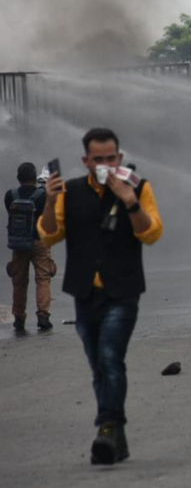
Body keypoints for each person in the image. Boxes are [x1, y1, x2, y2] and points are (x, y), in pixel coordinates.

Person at [37, 128, 164, 465]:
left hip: (122, 290)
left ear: (120, 158)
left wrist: (129, 199)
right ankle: (116, 435)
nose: (106, 164)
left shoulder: (139, 186)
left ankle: (106, 427)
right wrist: (50, 201)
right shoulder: (70, 191)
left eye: (111, 158)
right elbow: (50, 235)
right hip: (84, 292)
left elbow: (150, 233)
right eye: (99, 159)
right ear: (86, 161)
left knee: (110, 357)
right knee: (98, 366)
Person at [6, 162, 55, 331]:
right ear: (35, 177)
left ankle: (19, 317)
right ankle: (43, 316)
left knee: (19, 282)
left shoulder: (10, 195)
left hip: (18, 243)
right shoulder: (44, 195)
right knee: (43, 279)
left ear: (18, 178)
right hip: (40, 242)